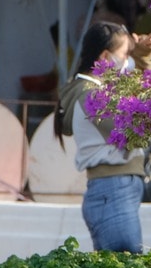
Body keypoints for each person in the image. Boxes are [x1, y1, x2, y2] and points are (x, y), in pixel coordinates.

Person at [55, 22, 144, 253]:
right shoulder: (93, 95)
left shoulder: (95, 91)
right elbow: (133, 131)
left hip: (113, 189)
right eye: (126, 54)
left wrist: (144, 56)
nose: (128, 62)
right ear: (105, 57)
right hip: (113, 188)